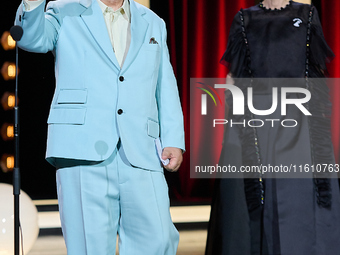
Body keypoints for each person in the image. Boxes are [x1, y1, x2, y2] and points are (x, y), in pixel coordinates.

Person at [14, 0, 185, 254]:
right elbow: (31, 38)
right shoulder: (64, 11)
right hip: (82, 150)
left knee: (158, 241)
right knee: (88, 247)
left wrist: (173, 138)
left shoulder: (153, 22)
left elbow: (164, 83)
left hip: (142, 151)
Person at [206, 0, 340, 254]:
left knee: (298, 202)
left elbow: (316, 73)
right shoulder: (244, 18)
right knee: (250, 204)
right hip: (256, 120)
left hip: (298, 120)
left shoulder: (307, 14)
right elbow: (234, 77)